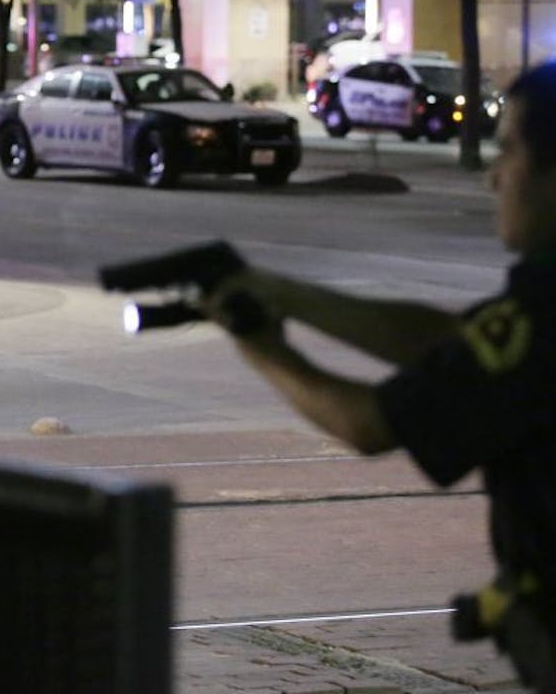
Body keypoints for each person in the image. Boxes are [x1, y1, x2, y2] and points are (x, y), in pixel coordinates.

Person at [203, 62, 556, 691]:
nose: (494, 179)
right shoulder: (534, 313)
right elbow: (451, 344)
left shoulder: (542, 317)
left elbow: (372, 423)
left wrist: (261, 349)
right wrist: (290, 296)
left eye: (509, 153)